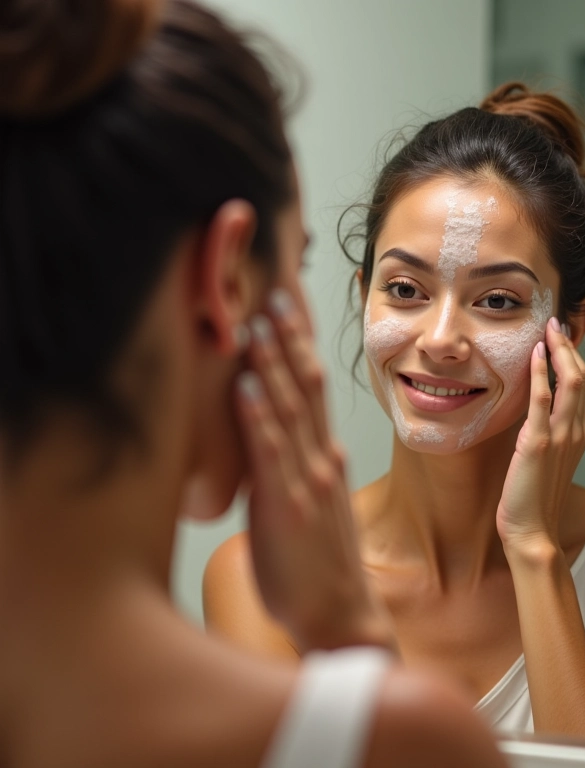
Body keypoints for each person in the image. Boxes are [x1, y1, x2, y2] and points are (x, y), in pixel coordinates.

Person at [0, 2, 510, 767]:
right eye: (296, 262)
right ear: (228, 280)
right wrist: (352, 638)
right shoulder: (401, 741)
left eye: (495, 300)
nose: (440, 340)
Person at [205, 82, 585, 746]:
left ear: (570, 331)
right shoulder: (262, 578)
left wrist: (535, 551)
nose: (439, 340)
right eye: (405, 289)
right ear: (363, 297)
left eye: (498, 301)